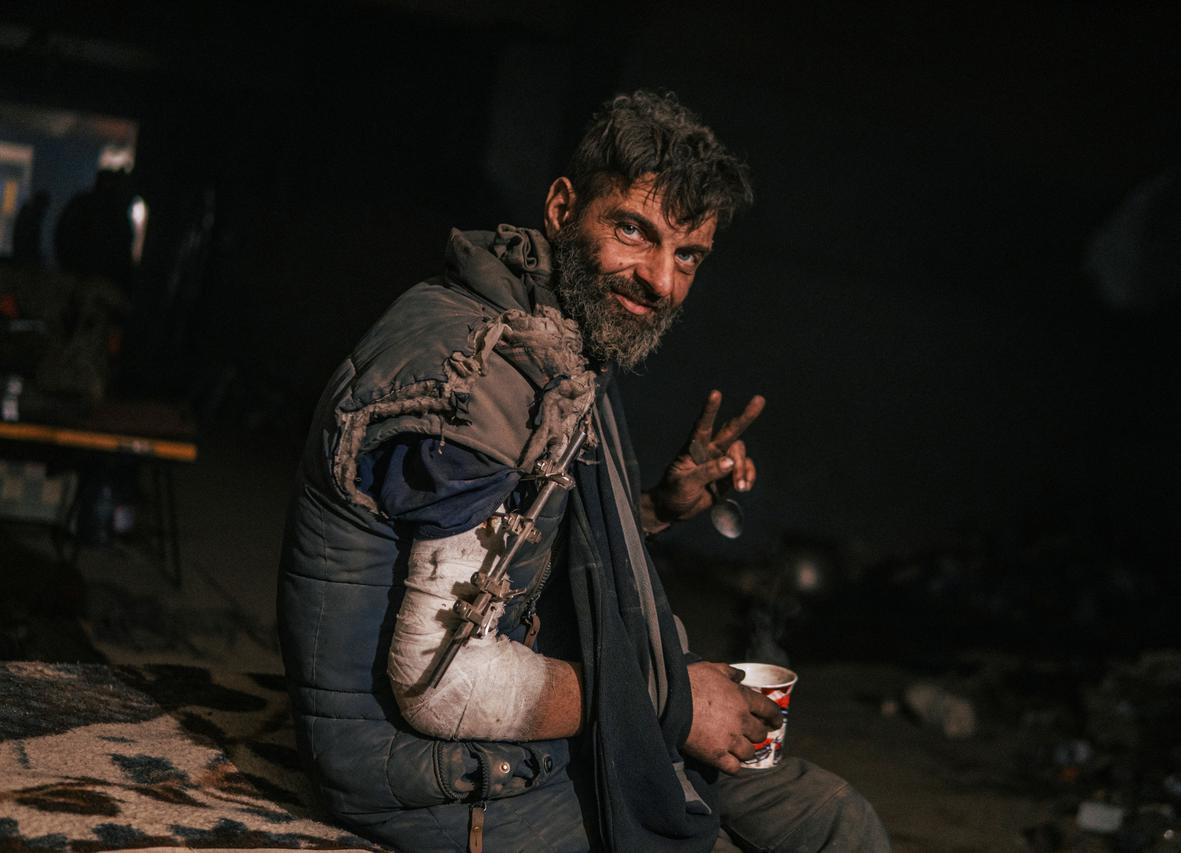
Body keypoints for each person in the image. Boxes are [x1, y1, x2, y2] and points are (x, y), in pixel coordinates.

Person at [278, 90, 891, 852]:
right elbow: (442, 684)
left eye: (687, 255)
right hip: (420, 770)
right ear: (563, 208)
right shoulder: (488, 372)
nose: (661, 281)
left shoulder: (547, 328)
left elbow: (515, 541)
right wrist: (668, 701)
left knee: (834, 815)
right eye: (635, 232)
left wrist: (657, 507)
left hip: (483, 737)